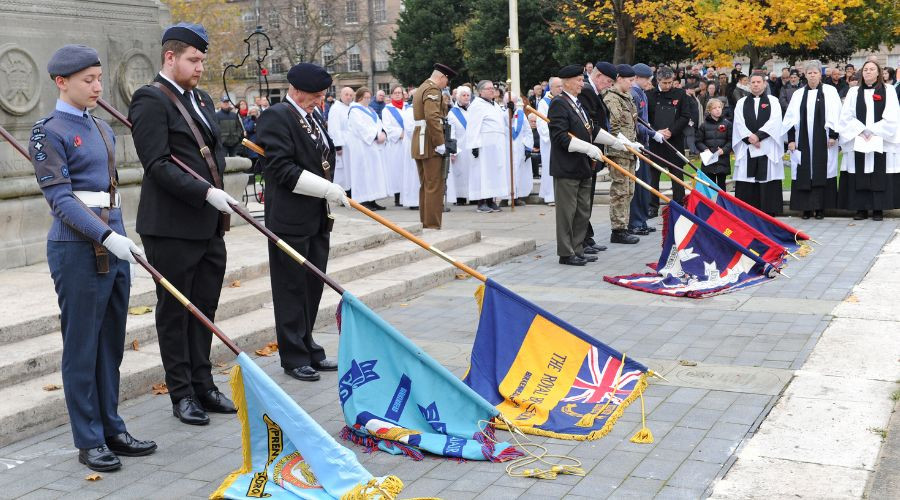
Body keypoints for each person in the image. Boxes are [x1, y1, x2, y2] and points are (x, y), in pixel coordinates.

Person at [29, 44, 156, 473]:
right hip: (76, 247)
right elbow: (60, 199)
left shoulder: (100, 126)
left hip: (113, 242)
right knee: (82, 347)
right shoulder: (48, 131)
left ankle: (112, 427)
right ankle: (88, 438)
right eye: (88, 80)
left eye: (100, 78)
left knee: (109, 344)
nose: (98, 87)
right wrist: (104, 234)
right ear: (61, 82)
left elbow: (109, 191)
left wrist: (120, 235)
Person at [129, 22, 237, 426]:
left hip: (208, 225)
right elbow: (156, 164)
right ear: (169, 57)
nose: (200, 67)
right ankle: (181, 393)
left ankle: (203, 383)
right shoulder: (149, 100)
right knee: (175, 311)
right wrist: (204, 193)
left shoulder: (202, 99)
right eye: (193, 59)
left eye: (202, 60)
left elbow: (212, 155)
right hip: (171, 227)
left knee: (204, 307)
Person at [254, 62, 344, 381]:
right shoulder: (276, 117)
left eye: (322, 96)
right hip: (289, 218)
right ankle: (293, 356)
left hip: (317, 216)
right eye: (315, 96)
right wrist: (326, 188)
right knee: (291, 288)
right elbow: (280, 168)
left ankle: (308, 346)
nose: (320, 101)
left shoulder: (311, 115)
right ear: (295, 90)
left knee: (311, 287)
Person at [550, 65, 605, 266]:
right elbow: (560, 137)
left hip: (582, 166)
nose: (583, 83)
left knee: (582, 210)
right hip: (567, 166)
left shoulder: (576, 103)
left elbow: (591, 128)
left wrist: (617, 142)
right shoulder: (559, 103)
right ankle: (566, 252)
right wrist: (588, 148)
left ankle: (578, 247)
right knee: (567, 212)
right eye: (579, 80)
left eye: (582, 80)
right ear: (567, 82)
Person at [838, 60, 900, 220]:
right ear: (862, 73)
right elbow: (846, 116)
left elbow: (893, 115)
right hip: (859, 138)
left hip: (881, 139)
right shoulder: (853, 92)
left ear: (878, 72)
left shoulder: (889, 90)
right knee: (860, 173)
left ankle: (878, 209)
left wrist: (874, 131)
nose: (868, 72)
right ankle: (861, 209)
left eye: (872, 69)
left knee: (878, 172)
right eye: (865, 69)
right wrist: (860, 130)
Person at [782, 60, 841, 219]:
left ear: (820, 75)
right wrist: (791, 140)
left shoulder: (830, 92)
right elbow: (790, 120)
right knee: (804, 171)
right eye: (809, 73)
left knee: (822, 169)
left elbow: (837, 115)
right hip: (803, 140)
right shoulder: (798, 94)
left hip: (825, 140)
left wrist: (834, 135)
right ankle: (805, 208)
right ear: (805, 75)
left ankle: (820, 208)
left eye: (815, 72)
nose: (812, 75)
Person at [732, 71, 784, 215]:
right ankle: (747, 212)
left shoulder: (773, 101)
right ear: (749, 84)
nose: (755, 85)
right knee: (747, 178)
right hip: (747, 146)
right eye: (753, 82)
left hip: (767, 145)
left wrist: (759, 136)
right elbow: (738, 123)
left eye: (758, 82)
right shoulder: (741, 103)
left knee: (767, 176)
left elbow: (775, 121)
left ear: (764, 83)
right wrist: (750, 138)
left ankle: (769, 210)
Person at [411, 63, 456, 227]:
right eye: (447, 80)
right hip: (429, 142)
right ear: (441, 77)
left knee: (427, 185)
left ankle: (426, 222)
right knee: (434, 185)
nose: (447, 84)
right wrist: (439, 142)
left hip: (422, 140)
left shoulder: (423, 87)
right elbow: (432, 118)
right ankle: (432, 225)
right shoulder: (432, 90)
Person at [579, 62, 618, 252]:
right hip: (588, 151)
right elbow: (591, 124)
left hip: (594, 151)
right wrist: (612, 141)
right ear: (599, 75)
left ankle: (587, 236)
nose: (609, 85)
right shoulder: (587, 91)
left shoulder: (593, 92)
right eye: (609, 81)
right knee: (585, 197)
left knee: (588, 196)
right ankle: (583, 238)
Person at [647, 65, 692, 216]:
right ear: (657, 80)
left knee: (677, 173)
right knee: (654, 174)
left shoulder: (680, 94)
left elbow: (685, 116)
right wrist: (655, 132)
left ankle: (679, 204)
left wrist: (671, 131)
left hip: (674, 140)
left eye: (670, 82)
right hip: (655, 141)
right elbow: (645, 118)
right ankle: (652, 205)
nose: (667, 86)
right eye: (664, 83)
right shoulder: (649, 95)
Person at [603, 64, 640, 244]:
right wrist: (625, 144)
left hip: (630, 150)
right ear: (619, 78)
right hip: (618, 151)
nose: (632, 84)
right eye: (629, 80)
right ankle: (618, 230)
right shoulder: (611, 98)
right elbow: (613, 126)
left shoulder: (627, 98)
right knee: (620, 191)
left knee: (629, 190)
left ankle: (624, 226)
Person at [465, 80, 509, 213]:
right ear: (480, 91)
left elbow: (503, 122)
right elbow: (473, 126)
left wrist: (509, 109)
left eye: (493, 88)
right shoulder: (477, 105)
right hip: (484, 144)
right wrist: (474, 145)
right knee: (483, 173)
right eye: (489, 88)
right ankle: (481, 201)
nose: (492, 90)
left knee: (494, 173)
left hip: (496, 145)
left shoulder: (495, 105)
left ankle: (491, 200)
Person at [347, 87, 390, 211]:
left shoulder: (370, 109)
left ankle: (372, 199)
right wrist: (376, 135)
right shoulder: (354, 110)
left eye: (369, 97)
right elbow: (360, 127)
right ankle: (363, 200)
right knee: (364, 173)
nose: (367, 100)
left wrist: (383, 133)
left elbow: (379, 123)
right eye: (365, 97)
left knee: (373, 174)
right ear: (359, 97)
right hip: (362, 147)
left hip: (372, 146)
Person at [627, 63, 656, 235]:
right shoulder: (634, 94)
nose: (648, 82)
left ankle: (642, 220)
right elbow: (636, 123)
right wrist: (652, 133)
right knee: (638, 185)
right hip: (638, 142)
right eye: (646, 79)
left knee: (645, 183)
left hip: (644, 142)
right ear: (637, 78)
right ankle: (636, 221)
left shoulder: (641, 93)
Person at [695, 98, 732, 190]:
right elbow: (698, 141)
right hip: (709, 161)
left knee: (721, 186)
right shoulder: (704, 125)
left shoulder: (727, 124)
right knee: (710, 187)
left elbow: (731, 141)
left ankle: (721, 204)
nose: (718, 109)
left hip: (722, 160)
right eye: (715, 108)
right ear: (709, 110)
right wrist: (705, 149)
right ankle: (711, 204)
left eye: (719, 107)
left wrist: (723, 150)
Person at [536, 77, 562, 205]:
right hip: (551, 141)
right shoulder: (544, 102)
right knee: (549, 168)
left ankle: (558, 195)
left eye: (562, 86)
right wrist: (552, 136)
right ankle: (550, 196)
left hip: (560, 139)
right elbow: (541, 123)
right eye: (558, 86)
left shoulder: (561, 99)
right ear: (551, 88)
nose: (561, 89)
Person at [382, 86, 408, 206]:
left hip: (408, 143)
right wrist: (400, 133)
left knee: (407, 169)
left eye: (400, 93)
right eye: (395, 93)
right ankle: (398, 198)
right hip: (396, 144)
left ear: (403, 95)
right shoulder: (387, 109)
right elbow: (387, 127)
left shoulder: (408, 107)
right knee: (397, 170)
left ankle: (408, 195)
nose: (398, 95)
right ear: (391, 95)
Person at [447, 85, 472, 206]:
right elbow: (451, 133)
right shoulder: (452, 113)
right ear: (458, 97)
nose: (466, 97)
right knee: (460, 173)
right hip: (460, 148)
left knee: (473, 173)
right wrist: (452, 150)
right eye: (464, 95)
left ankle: (474, 197)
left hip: (472, 147)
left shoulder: (474, 110)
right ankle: (460, 197)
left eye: (468, 95)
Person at [327, 87, 354, 194]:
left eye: (351, 95)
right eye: (346, 94)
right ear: (341, 95)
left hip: (352, 144)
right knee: (343, 170)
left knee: (351, 169)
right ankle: (344, 192)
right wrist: (338, 145)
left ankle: (352, 190)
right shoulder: (336, 108)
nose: (348, 97)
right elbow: (334, 128)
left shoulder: (352, 107)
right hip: (342, 144)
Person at [510, 99, 534, 206]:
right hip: (507, 149)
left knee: (518, 173)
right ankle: (505, 198)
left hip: (519, 148)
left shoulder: (521, 115)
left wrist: (528, 147)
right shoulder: (502, 112)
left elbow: (527, 131)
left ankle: (517, 196)